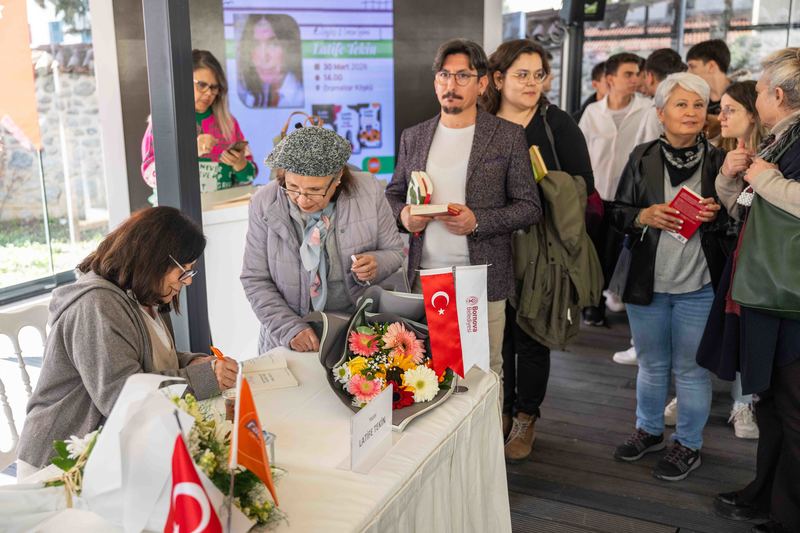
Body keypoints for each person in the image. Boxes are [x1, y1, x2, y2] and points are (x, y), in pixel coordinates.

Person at [16, 207, 237, 476]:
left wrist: (193, 363)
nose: (187, 282)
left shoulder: (142, 295)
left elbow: (147, 358)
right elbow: (124, 397)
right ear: (153, 259)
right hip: (61, 464)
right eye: (183, 271)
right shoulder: (96, 305)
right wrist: (201, 378)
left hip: (110, 449)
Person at [384, 38, 541, 392]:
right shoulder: (414, 136)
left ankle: (490, 431)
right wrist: (404, 215)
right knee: (431, 373)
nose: (451, 85)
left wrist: (478, 221)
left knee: (485, 373)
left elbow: (530, 207)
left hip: (481, 279)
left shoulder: (507, 136)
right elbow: (393, 194)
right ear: (435, 82)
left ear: (482, 83)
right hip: (428, 278)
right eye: (444, 75)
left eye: (462, 76)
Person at [700, 48, 800, 532]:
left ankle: (788, 512)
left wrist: (766, 178)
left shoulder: (787, 147)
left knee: (792, 407)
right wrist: (730, 176)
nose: (755, 98)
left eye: (758, 91)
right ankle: (767, 495)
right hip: (769, 289)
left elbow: (773, 193)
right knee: (773, 402)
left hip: (788, 296)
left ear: (777, 95)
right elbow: (743, 207)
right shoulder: (780, 140)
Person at [609, 73, 728, 482]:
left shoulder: (719, 161)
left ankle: (689, 444)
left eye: (699, 105)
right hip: (647, 283)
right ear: (661, 113)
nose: (691, 112)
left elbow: (737, 223)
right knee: (651, 364)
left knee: (692, 370)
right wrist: (643, 215)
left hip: (699, 285)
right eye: (681, 104)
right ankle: (649, 431)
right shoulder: (642, 156)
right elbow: (618, 212)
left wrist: (718, 217)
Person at [481, 39, 595, 462]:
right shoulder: (481, 123)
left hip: (541, 247)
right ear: (498, 78)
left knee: (531, 335)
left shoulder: (555, 123)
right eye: (521, 75)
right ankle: (501, 408)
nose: (532, 83)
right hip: (491, 242)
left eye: (538, 75)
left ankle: (526, 416)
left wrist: (541, 183)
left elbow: (585, 184)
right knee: (496, 336)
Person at [241, 126, 404, 354]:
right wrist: (290, 329)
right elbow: (255, 279)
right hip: (289, 337)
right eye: (292, 187)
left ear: (338, 178)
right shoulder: (264, 202)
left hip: (357, 332)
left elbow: (395, 252)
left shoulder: (369, 190)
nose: (302, 200)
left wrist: (377, 263)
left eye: (315, 190)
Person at [614, 49, 688, 367]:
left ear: (649, 75)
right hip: (675, 203)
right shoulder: (654, 109)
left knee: (647, 271)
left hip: (651, 202)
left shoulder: (651, 112)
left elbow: (639, 158)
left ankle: (642, 344)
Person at [579, 53, 652, 326]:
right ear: (610, 79)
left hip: (629, 196)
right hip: (596, 196)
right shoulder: (592, 112)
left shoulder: (647, 109)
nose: (635, 79)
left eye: (638, 74)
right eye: (628, 74)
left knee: (619, 253)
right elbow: (581, 152)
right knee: (593, 253)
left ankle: (615, 299)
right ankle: (592, 304)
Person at [141, 50, 256, 199]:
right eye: (202, 85)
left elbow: (250, 176)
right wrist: (190, 152)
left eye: (214, 87)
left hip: (223, 209)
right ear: (182, 82)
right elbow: (150, 176)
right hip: (177, 209)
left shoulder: (228, 123)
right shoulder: (164, 122)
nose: (209, 93)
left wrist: (240, 165)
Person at [236, 14, 304, 108]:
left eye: (273, 44)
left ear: (288, 48)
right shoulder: (252, 97)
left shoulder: (300, 98)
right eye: (255, 44)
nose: (263, 57)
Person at [686, 39, 732, 143]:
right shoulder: (695, 100)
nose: (688, 73)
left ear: (711, 66)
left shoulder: (741, 97)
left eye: (692, 66)